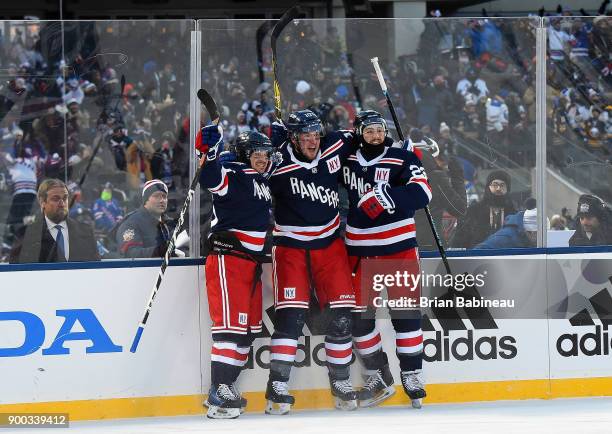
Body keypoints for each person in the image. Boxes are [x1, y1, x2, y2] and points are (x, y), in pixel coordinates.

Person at [265, 110, 357, 414]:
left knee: (342, 316)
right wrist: (266, 147)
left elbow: (369, 142)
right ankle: (277, 385)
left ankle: (340, 382)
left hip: (329, 245)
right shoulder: (277, 162)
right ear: (293, 137)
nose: (312, 142)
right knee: (291, 318)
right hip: (290, 246)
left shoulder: (334, 145)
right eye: (305, 137)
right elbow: (244, 175)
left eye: (316, 135)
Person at [342, 111, 431, 408]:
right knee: (360, 319)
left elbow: (422, 193)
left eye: (379, 130)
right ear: (359, 133)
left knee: (406, 316)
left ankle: (412, 374)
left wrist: (385, 196)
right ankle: (378, 374)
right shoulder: (348, 159)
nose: (375, 136)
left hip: (399, 249)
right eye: (369, 131)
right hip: (360, 251)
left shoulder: (402, 158)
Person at [196, 127, 274, 419]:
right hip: (229, 259)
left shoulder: (261, 179)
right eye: (258, 155)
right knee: (229, 329)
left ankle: (226, 387)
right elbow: (210, 177)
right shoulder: (233, 171)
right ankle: (219, 389)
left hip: (251, 264)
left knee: (247, 332)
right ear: (244, 155)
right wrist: (208, 151)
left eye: (267, 155)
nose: (264, 160)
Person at [9, 178, 99, 263]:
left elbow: (96, 269)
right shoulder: (25, 234)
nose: (62, 204)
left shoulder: (86, 231)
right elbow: (18, 272)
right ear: (42, 202)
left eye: (65, 198)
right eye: (55, 199)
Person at [451, 170, 516, 249]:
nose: (498, 188)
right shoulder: (473, 212)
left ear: (507, 189)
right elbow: (459, 241)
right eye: (495, 185)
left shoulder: (514, 214)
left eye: (502, 185)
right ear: (488, 187)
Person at [115, 179, 175, 258]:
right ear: (145, 200)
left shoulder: (170, 224)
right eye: (156, 196)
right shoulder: (131, 224)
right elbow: (130, 254)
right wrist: (161, 251)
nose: (162, 200)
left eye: (164, 196)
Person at [475, 207, 540, 249]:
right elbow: (475, 254)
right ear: (532, 233)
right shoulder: (504, 238)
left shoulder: (524, 238)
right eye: (540, 234)